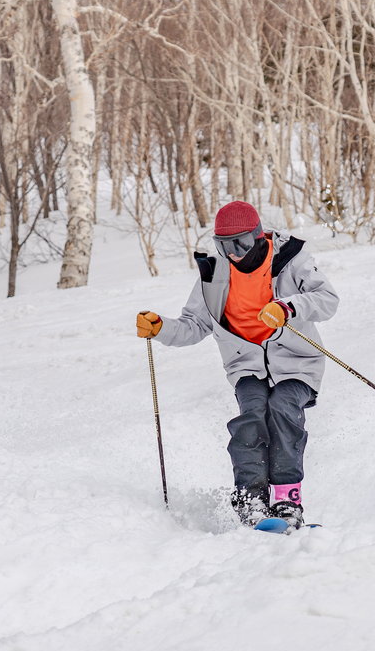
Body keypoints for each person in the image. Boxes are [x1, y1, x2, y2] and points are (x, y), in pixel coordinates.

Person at [137, 201, 339, 528]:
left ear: (258, 236)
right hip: (246, 367)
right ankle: (252, 500)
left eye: (241, 243)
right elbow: (194, 325)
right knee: (251, 417)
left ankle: (288, 501)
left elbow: (327, 300)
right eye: (223, 246)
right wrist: (161, 328)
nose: (233, 253)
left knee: (284, 411)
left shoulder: (290, 260)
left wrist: (288, 308)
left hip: (297, 364)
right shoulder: (214, 276)